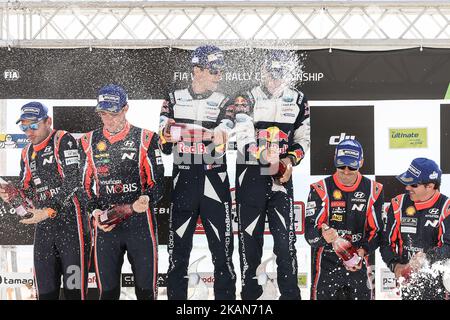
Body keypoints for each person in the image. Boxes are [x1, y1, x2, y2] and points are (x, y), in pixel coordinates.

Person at [221, 50, 309, 300]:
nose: (274, 78)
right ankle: (250, 296)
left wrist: (290, 160)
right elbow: (242, 135)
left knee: (285, 243)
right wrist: (262, 155)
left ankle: (290, 295)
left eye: (279, 73)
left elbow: (303, 138)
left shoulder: (299, 99)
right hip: (250, 177)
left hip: (280, 177)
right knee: (250, 243)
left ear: (287, 74)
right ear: (262, 71)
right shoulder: (245, 96)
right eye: (270, 72)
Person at [159, 45, 236, 300]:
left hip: (215, 180)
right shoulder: (172, 98)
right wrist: (167, 135)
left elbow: (228, 128)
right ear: (197, 70)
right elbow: (164, 143)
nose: (219, 75)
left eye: (221, 70)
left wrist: (222, 131)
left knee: (223, 254)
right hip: (184, 182)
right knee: (178, 254)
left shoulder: (225, 101)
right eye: (214, 70)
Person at [79, 84, 164, 300]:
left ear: (126, 108)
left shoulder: (146, 138)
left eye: (114, 113)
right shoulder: (87, 142)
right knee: (107, 294)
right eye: (103, 114)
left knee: (146, 293)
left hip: (139, 223)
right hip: (106, 227)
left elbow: (159, 183)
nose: (108, 120)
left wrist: (146, 198)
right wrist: (94, 212)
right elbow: (83, 187)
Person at [0, 102, 90, 300]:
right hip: (45, 230)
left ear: (47, 121)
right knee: (45, 292)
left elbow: (73, 181)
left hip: (71, 227)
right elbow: (27, 192)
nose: (28, 131)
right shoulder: (26, 152)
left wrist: (49, 210)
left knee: (74, 292)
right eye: (24, 127)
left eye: (33, 125)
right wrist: (11, 194)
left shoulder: (62, 139)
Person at [305, 139, 384, 300]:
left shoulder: (374, 190)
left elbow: (377, 232)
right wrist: (323, 236)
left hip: (360, 262)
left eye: (352, 166)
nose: (346, 171)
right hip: (326, 262)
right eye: (341, 165)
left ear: (361, 162)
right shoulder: (320, 189)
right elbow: (310, 233)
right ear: (335, 160)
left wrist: (362, 251)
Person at [380, 157, 450, 300]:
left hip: (439, 286)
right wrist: (395, 265)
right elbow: (385, 243)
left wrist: (426, 257)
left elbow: (448, 247)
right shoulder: (397, 205)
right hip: (406, 286)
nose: (407, 188)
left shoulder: (446, 208)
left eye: (413, 185)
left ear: (430, 186)